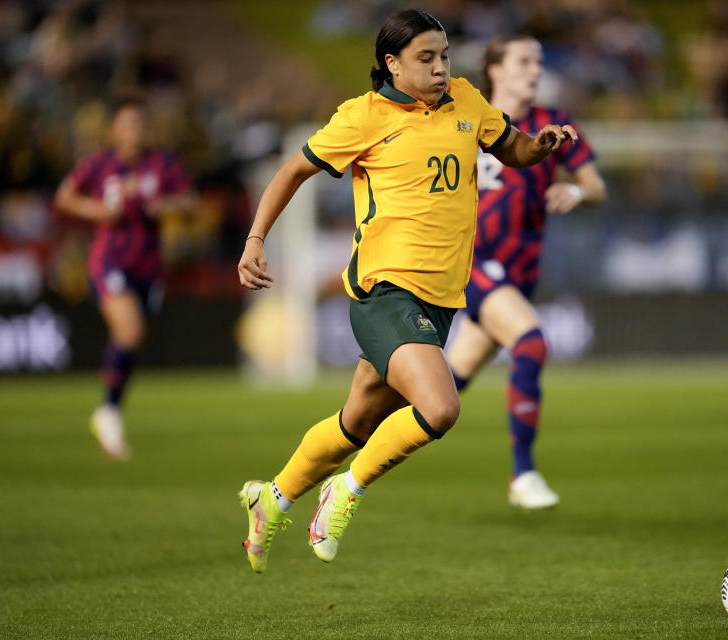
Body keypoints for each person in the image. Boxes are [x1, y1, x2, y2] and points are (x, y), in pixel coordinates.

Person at [236, 9, 578, 573]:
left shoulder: (467, 102)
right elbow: (290, 171)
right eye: (426, 58)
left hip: (442, 300)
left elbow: (512, 148)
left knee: (356, 424)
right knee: (440, 408)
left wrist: (540, 147)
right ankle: (344, 492)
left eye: (444, 56)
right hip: (384, 292)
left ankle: (270, 499)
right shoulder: (362, 118)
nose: (441, 68)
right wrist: (255, 239)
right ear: (392, 63)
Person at [445, 34, 607, 510]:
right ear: (495, 69)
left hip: (518, 276)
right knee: (532, 342)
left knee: (439, 400)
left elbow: (595, 185)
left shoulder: (553, 125)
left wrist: (578, 193)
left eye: (537, 61)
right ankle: (523, 475)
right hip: (471, 265)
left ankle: (353, 449)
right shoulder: (465, 119)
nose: (534, 70)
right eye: (522, 61)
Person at [54, 94, 194, 460]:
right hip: (109, 261)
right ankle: (109, 412)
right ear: (115, 129)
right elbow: (64, 197)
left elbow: (190, 201)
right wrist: (97, 210)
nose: (135, 130)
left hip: (148, 265)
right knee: (129, 332)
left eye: (140, 124)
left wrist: (163, 205)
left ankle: (110, 408)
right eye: (128, 124)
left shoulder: (162, 163)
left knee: (131, 339)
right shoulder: (100, 164)